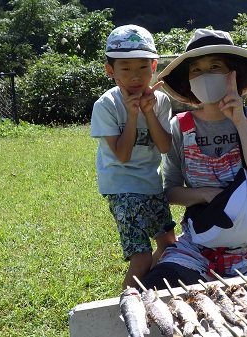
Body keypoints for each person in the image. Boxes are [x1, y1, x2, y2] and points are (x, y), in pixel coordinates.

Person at [140, 28, 247, 290]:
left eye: (215, 66)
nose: (205, 76)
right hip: (197, 247)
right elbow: (169, 190)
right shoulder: (180, 127)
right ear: (189, 80)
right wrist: (206, 194)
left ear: (233, 75)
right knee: (155, 291)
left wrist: (239, 121)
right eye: (196, 70)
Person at [90, 25, 177, 289]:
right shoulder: (106, 105)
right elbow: (123, 155)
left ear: (154, 66)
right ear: (110, 71)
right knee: (140, 257)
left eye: (142, 67)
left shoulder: (161, 101)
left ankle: (148, 292)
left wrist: (149, 112)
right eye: (125, 68)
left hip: (152, 183)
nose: (135, 76)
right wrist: (132, 115)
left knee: (169, 245)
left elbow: (164, 147)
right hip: (122, 186)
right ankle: (125, 311)